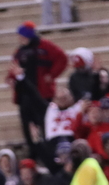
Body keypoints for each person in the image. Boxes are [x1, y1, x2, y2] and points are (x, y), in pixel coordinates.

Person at [10, 24, 67, 156]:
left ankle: (49, 152)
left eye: (21, 35)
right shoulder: (19, 51)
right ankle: (33, 153)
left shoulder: (45, 46)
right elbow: (13, 69)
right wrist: (11, 77)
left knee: (44, 125)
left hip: (42, 95)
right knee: (28, 129)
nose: (19, 38)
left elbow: (62, 58)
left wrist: (52, 74)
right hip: (25, 97)